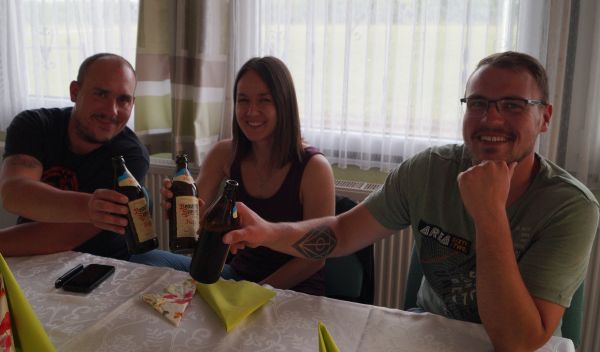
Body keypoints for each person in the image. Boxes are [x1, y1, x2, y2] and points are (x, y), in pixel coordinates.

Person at [223, 51, 599, 351]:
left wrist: (489, 213)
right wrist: (268, 232)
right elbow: (341, 233)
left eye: (513, 105)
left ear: (544, 117)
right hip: (430, 333)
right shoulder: (428, 171)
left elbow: (516, 343)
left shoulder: (570, 207)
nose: (492, 118)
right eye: (478, 103)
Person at [0, 53, 190, 271]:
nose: (112, 111)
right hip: (29, 255)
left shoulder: (130, 155)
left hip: (105, 265)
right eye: (101, 94)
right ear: (75, 92)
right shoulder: (33, 125)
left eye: (123, 99)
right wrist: (90, 206)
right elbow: (14, 193)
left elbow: (66, 237)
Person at [162, 56, 335, 294]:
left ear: (284, 105)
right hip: (237, 277)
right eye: (243, 100)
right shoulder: (224, 153)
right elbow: (195, 222)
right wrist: (178, 209)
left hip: (295, 290)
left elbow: (315, 259)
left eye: (264, 100)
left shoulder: (315, 168)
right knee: (147, 260)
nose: (251, 111)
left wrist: (256, 294)